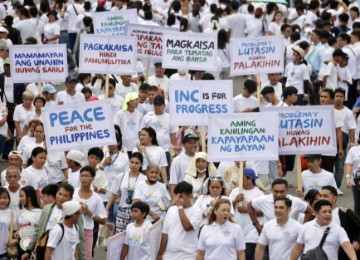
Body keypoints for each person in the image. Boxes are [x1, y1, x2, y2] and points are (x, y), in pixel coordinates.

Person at [22, 183, 85, 260]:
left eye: (65, 196)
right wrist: (28, 250)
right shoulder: (47, 208)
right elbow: (38, 230)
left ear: (71, 198)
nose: (61, 197)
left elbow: (80, 239)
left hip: (61, 252)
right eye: (60, 194)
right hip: (43, 249)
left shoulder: (74, 213)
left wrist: (82, 258)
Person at [290, 200, 357, 260]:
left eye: (330, 212)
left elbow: (347, 246)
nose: (328, 214)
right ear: (316, 214)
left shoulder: (338, 230)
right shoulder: (305, 227)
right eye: (324, 212)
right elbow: (298, 248)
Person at [248, 179, 313, 234]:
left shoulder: (295, 201)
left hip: (288, 239)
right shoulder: (263, 200)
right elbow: (249, 205)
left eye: (282, 192)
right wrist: (256, 224)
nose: (279, 195)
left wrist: (303, 227)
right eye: (276, 191)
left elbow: (310, 211)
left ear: (287, 190)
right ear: (271, 190)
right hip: (268, 238)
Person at [157, 181, 202, 260]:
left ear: (190, 196)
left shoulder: (197, 211)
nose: (178, 199)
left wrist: (180, 208)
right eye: (177, 196)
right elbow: (165, 234)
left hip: (188, 255)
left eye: (181, 196)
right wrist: (160, 254)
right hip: (169, 255)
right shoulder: (171, 210)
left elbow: (187, 227)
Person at [106, 152, 147, 233]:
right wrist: (106, 209)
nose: (134, 165)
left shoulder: (144, 179)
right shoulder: (121, 176)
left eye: (136, 163)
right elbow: (113, 194)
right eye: (132, 162)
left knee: (135, 234)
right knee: (120, 235)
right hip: (122, 211)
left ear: (141, 165)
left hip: (137, 212)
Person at [229, 168, 264, 260]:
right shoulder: (235, 191)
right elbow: (225, 207)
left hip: (251, 233)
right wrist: (235, 200)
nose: (240, 180)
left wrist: (247, 210)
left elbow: (263, 212)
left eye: (242, 178)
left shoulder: (259, 194)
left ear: (249, 179)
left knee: (247, 256)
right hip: (235, 231)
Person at [73, 166, 107, 260]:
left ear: (93, 178)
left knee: (86, 257)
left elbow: (103, 221)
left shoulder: (97, 198)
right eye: (82, 175)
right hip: (71, 230)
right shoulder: (73, 192)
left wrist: (89, 213)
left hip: (87, 232)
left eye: (87, 176)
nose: (83, 178)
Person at [319, 186, 360, 259]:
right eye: (320, 196)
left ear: (334, 198)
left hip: (343, 255)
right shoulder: (315, 215)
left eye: (325, 196)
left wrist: (357, 242)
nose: (321, 198)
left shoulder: (345, 213)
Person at [99, 133, 129, 225]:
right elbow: (95, 173)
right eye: (109, 141)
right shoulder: (102, 155)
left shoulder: (124, 157)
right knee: (104, 222)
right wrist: (103, 163)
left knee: (114, 220)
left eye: (113, 141)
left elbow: (126, 175)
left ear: (119, 142)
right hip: (103, 194)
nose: (110, 144)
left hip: (117, 195)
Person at [169, 133, 199, 198]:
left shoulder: (200, 158)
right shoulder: (177, 160)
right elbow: (173, 182)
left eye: (195, 143)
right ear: (184, 145)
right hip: (184, 195)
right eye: (190, 143)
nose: (194, 145)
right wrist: (175, 199)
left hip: (198, 195)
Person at [17, 186, 42, 257]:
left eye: (22, 196)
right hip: (22, 246)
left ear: (30, 197)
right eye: (19, 196)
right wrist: (18, 231)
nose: (20, 199)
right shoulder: (22, 211)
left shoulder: (39, 212)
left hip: (34, 248)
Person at [0, 187, 18, 260]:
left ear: (9, 199)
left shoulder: (13, 213)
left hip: (5, 251)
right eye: (0, 198)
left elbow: (15, 232)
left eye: (5, 198)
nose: (2, 200)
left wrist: (15, 240)